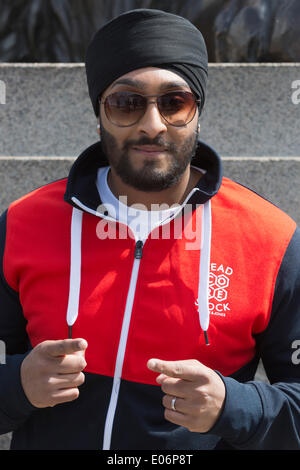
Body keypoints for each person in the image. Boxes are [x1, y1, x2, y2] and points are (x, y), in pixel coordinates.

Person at [0, 8, 300, 451]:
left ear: (198, 113)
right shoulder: (22, 225)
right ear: (99, 113)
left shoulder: (271, 239)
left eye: (174, 102)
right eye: (126, 103)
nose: (152, 124)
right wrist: (15, 385)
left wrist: (235, 407)